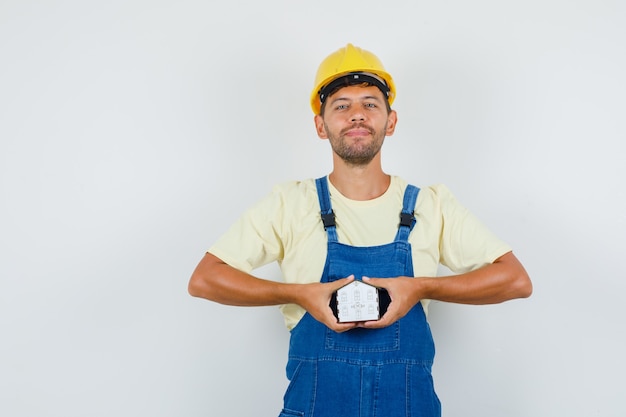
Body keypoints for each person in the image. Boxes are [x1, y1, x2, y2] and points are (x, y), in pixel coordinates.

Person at [188, 43, 532, 417]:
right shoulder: (290, 203)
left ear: (391, 120)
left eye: (370, 103)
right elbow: (205, 279)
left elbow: (515, 280)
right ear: (321, 126)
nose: (357, 115)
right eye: (341, 105)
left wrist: (421, 287)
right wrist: (302, 295)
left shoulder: (430, 206)